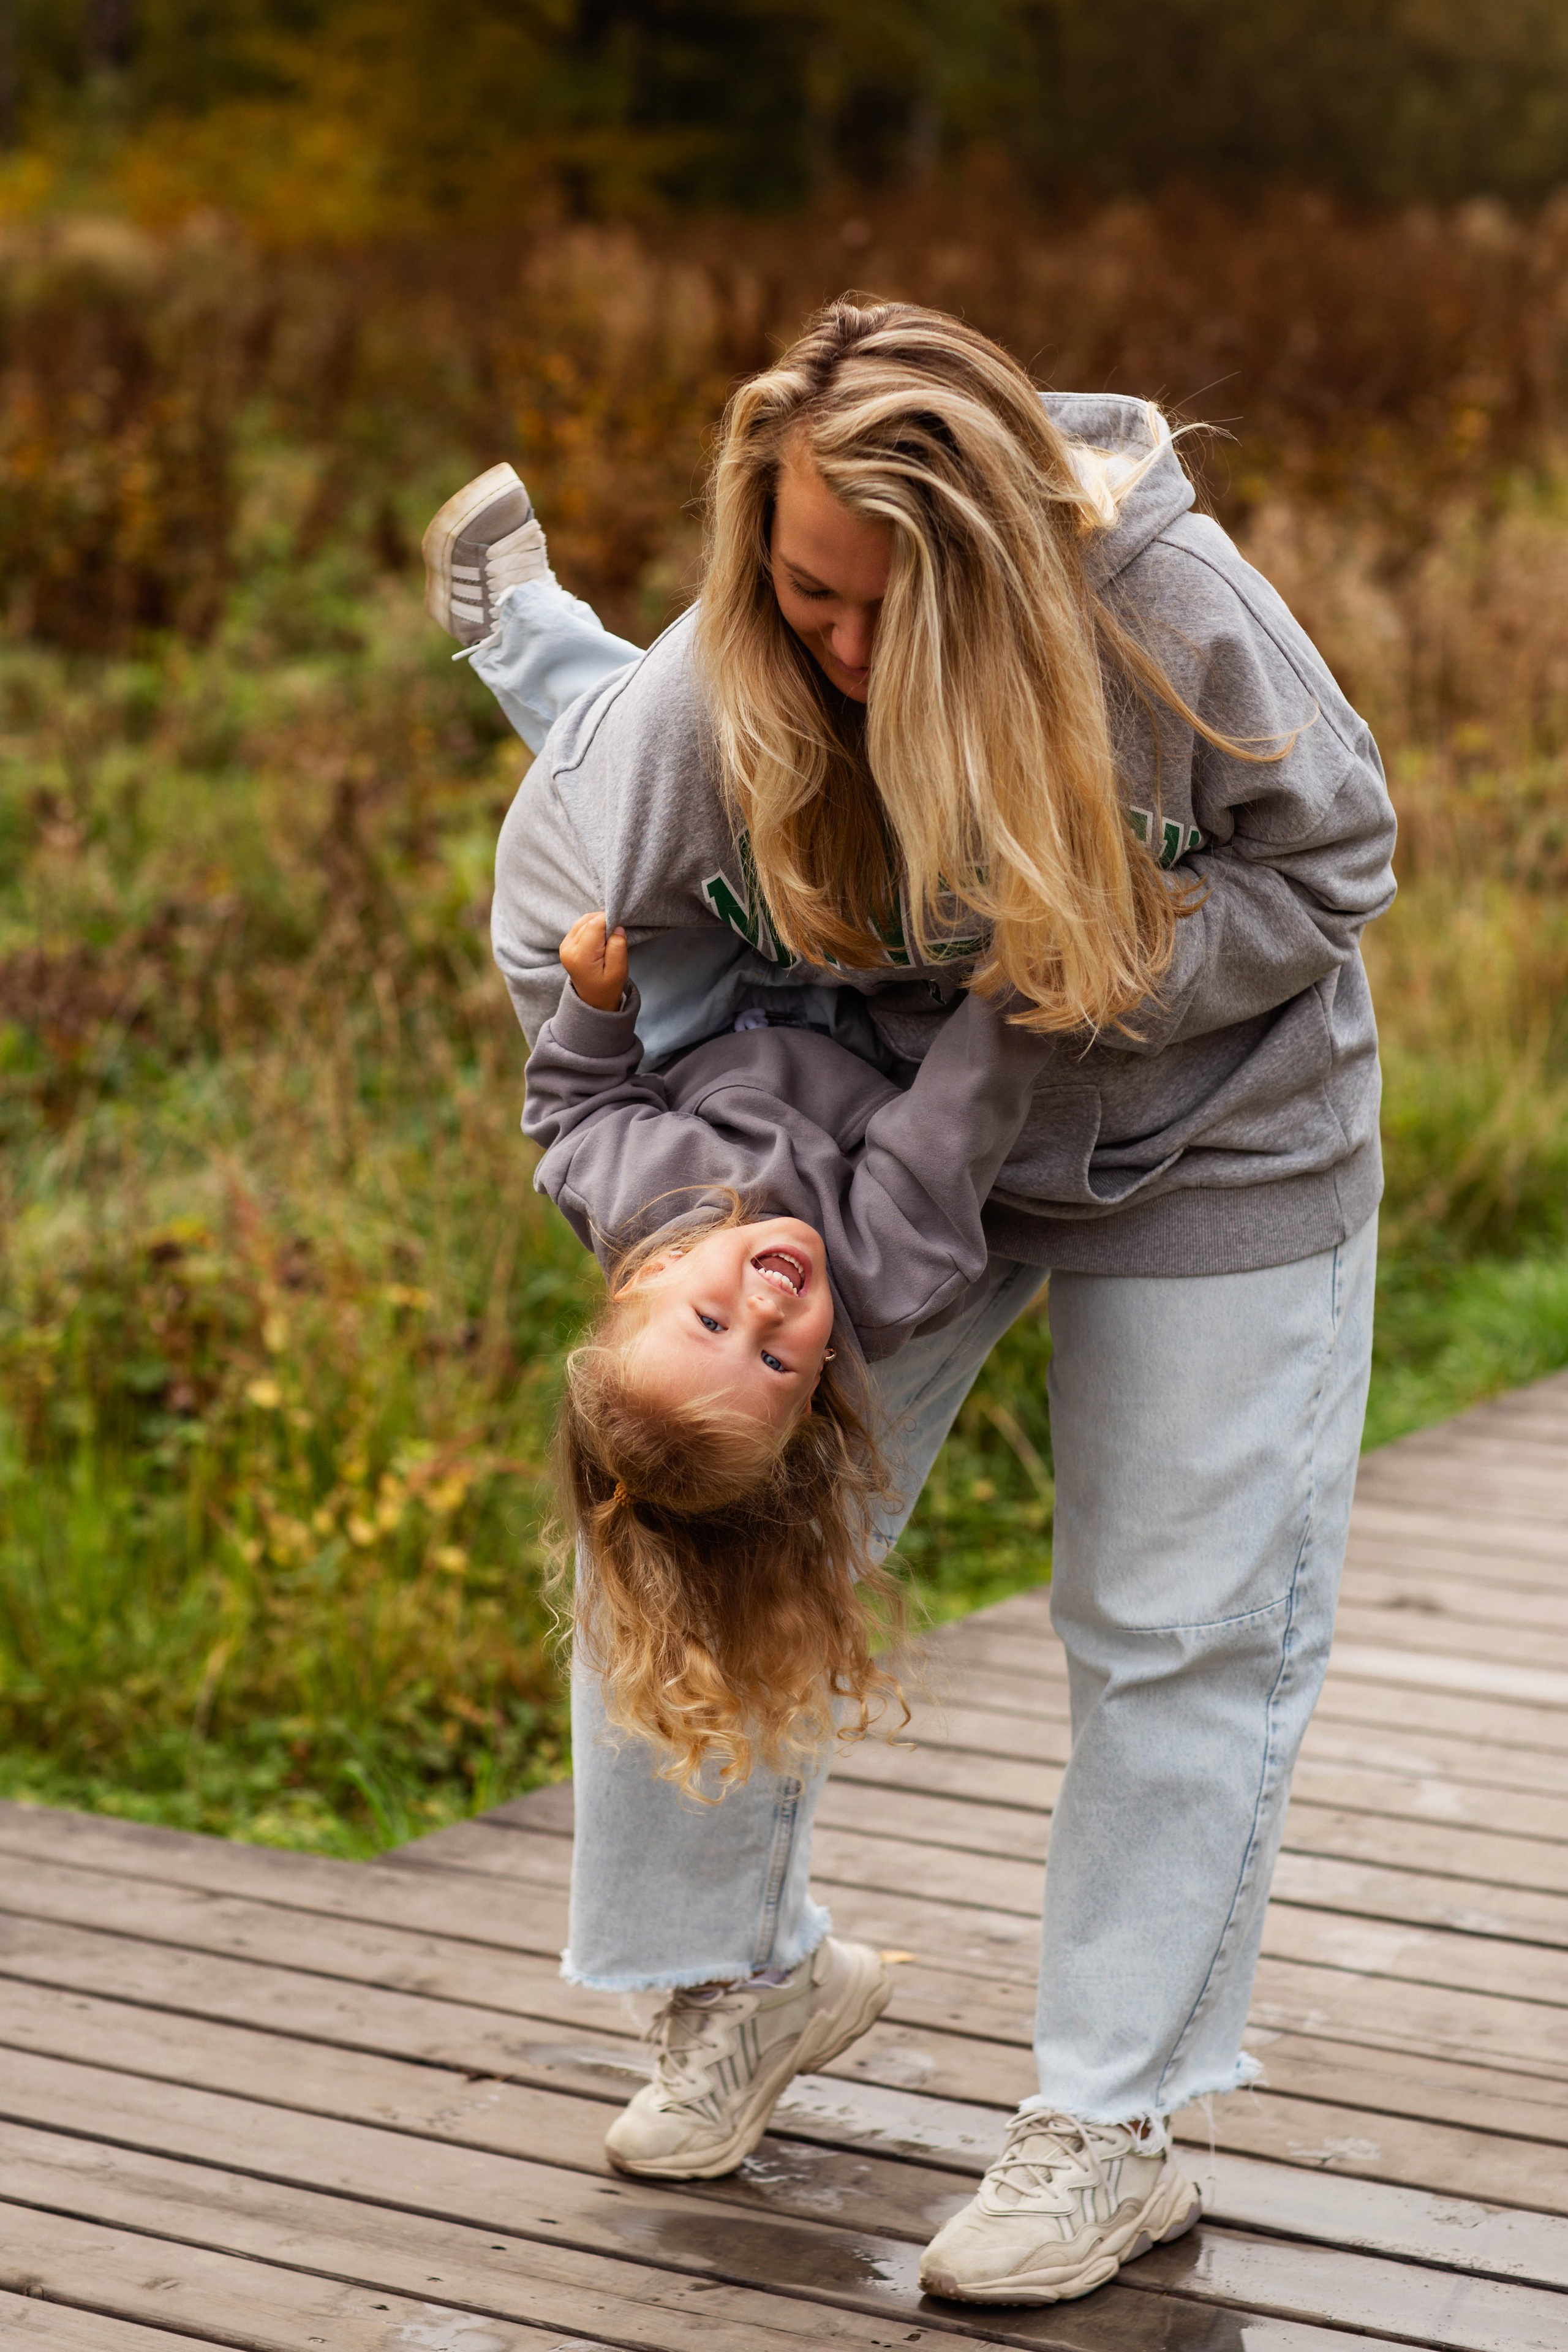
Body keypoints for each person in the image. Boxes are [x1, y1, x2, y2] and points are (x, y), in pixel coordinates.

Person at [422, 300, 1396, 2307]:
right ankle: (739, 1985)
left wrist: (1107, 955)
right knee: (685, 1530)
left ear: (1016, 571)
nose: (844, 655)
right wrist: (700, 1220)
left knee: (1179, 1629)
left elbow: (1339, 855)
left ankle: (1109, 2123)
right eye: (806, 598)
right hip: (870, 1155)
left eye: (896, 616)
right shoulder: (703, 706)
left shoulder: (1170, 608)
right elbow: (562, 956)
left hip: (1212, 1130)